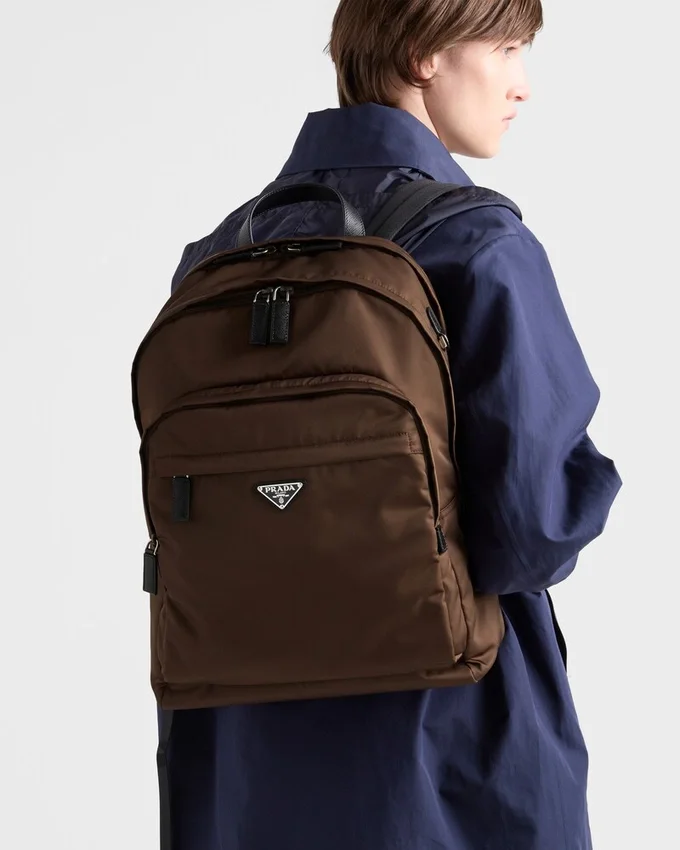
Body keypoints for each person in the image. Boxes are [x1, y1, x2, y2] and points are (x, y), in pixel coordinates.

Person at [163, 1, 622, 847]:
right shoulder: (478, 243)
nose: (522, 83)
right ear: (422, 56)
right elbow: (536, 530)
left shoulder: (215, 259)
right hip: (448, 745)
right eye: (506, 48)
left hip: (241, 751)